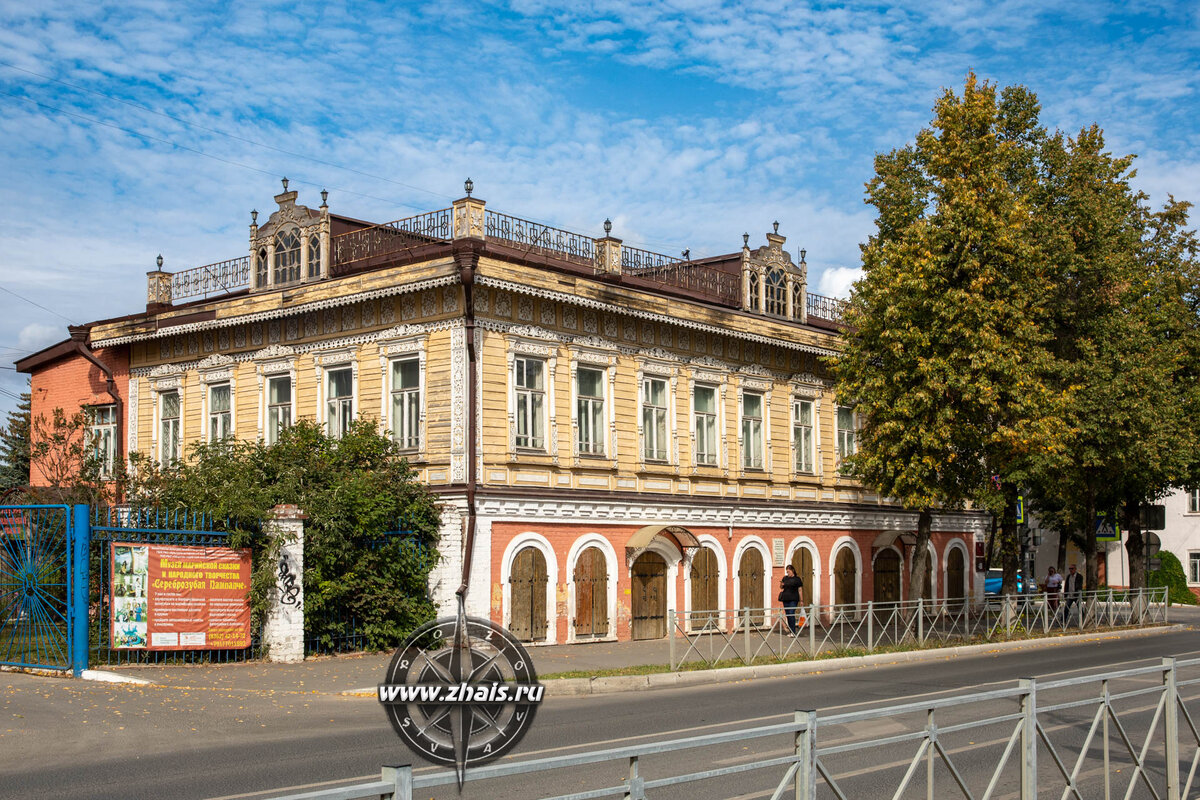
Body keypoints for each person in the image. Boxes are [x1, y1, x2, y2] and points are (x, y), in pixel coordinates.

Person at [778, 565, 805, 635]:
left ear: (792, 570)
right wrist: (781, 584)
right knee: (788, 615)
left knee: (791, 613)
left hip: (794, 599)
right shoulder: (785, 578)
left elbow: (800, 590)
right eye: (787, 572)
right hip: (785, 599)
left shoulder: (797, 579)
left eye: (789, 571)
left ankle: (793, 631)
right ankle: (791, 630)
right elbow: (781, 587)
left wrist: (801, 600)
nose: (788, 573)